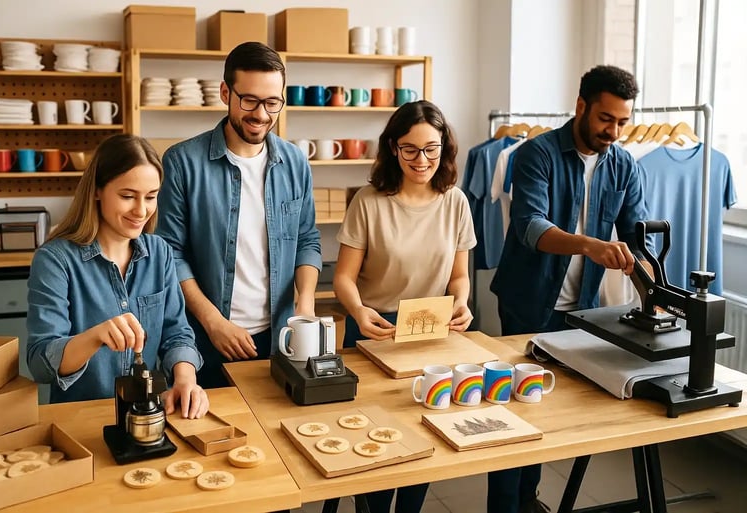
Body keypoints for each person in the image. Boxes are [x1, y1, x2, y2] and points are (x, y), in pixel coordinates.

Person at [489, 65, 653, 513]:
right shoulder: (535, 154)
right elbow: (530, 226)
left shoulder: (623, 165)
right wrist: (592, 247)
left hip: (580, 311)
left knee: (550, 415)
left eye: (622, 121)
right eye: (606, 118)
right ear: (581, 106)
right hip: (526, 304)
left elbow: (639, 236)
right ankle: (505, 506)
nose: (614, 131)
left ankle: (529, 499)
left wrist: (651, 279)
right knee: (513, 414)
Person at [334, 100, 476, 513]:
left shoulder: (456, 202)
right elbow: (343, 277)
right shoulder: (368, 201)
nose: (422, 159)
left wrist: (462, 302)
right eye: (410, 149)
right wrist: (358, 311)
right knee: (376, 442)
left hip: (431, 329)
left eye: (431, 148)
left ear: (444, 148)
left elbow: (459, 276)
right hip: (374, 328)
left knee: (424, 432)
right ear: (393, 148)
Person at [156, 42, 322, 389]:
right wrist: (214, 322)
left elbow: (307, 239)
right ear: (224, 92)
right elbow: (170, 254)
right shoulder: (182, 162)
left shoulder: (295, 162)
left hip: (279, 336)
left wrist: (304, 304)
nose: (261, 114)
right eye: (249, 100)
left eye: (272, 102)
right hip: (206, 338)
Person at [27, 134, 208, 420]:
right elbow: (40, 362)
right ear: (97, 190)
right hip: (79, 421)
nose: (141, 211)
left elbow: (177, 333)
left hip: (145, 417)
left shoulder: (159, 252)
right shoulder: (55, 260)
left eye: (151, 197)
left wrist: (185, 379)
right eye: (127, 196)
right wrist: (94, 336)